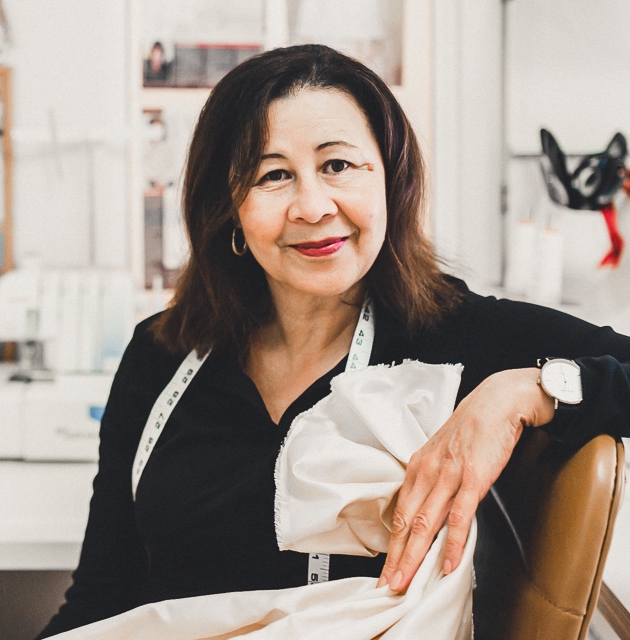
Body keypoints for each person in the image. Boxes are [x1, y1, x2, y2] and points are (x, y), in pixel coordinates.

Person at [36, 44, 630, 638]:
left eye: (338, 165)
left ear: (390, 179)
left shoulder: (455, 337)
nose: (313, 206)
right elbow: (102, 598)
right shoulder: (162, 354)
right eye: (273, 175)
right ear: (229, 207)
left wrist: (528, 391)